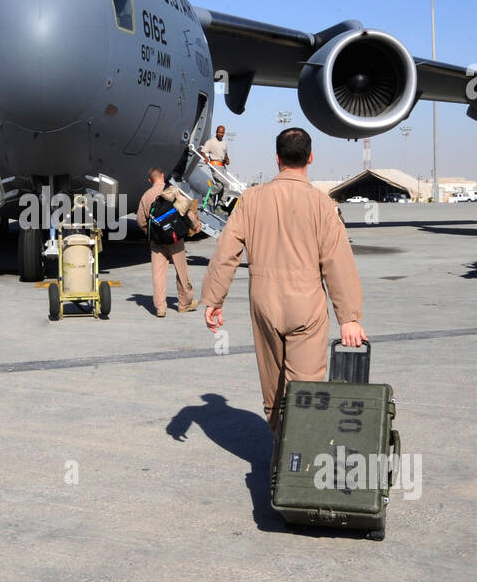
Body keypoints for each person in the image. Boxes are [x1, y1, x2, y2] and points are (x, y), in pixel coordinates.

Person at [199, 128, 367, 427]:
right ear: (310, 158)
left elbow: (226, 251)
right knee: (306, 394)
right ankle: (298, 465)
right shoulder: (322, 205)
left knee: (274, 391)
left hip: (264, 304)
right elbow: (337, 262)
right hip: (307, 307)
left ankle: (279, 457)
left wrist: (214, 298)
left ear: (277, 159)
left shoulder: (251, 199)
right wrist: (349, 317)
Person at [136, 167, 201, 317]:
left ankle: (160, 308)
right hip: (175, 239)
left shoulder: (146, 196)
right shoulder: (172, 190)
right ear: (163, 176)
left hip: (157, 242)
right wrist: (195, 225)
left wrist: (151, 233)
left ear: (149, 180)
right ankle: (184, 303)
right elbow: (184, 209)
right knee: (181, 271)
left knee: (158, 275)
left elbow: (140, 221)